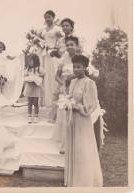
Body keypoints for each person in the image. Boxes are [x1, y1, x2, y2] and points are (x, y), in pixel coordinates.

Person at [64, 54, 103, 186]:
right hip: (73, 120)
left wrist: (76, 107)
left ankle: (84, 180)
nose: (75, 69)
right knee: (74, 147)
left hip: (82, 120)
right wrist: (65, 103)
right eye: (74, 66)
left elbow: (91, 105)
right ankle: (74, 179)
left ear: (85, 68)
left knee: (82, 149)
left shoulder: (89, 83)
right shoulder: (73, 82)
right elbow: (70, 97)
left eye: (79, 67)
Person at [52, 36, 79, 153]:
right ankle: (64, 144)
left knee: (75, 115)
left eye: (72, 44)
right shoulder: (63, 58)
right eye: (67, 45)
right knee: (64, 114)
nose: (69, 47)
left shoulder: (80, 58)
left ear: (77, 46)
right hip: (65, 89)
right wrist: (63, 83)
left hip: (77, 88)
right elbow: (56, 76)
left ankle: (75, 143)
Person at [40, 10, 65, 108]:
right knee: (46, 75)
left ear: (53, 17)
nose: (47, 19)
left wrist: (56, 49)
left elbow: (60, 41)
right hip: (45, 54)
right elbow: (42, 40)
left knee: (54, 74)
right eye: (45, 17)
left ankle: (55, 100)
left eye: (49, 17)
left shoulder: (57, 29)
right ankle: (47, 100)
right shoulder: (43, 29)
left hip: (54, 54)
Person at [23, 54, 45, 124]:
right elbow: (25, 76)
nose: (29, 62)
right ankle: (29, 116)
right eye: (28, 61)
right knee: (29, 102)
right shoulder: (28, 69)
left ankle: (36, 116)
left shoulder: (39, 68)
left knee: (35, 102)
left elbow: (43, 75)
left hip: (36, 88)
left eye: (31, 61)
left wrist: (38, 79)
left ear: (35, 61)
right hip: (30, 87)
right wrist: (28, 79)